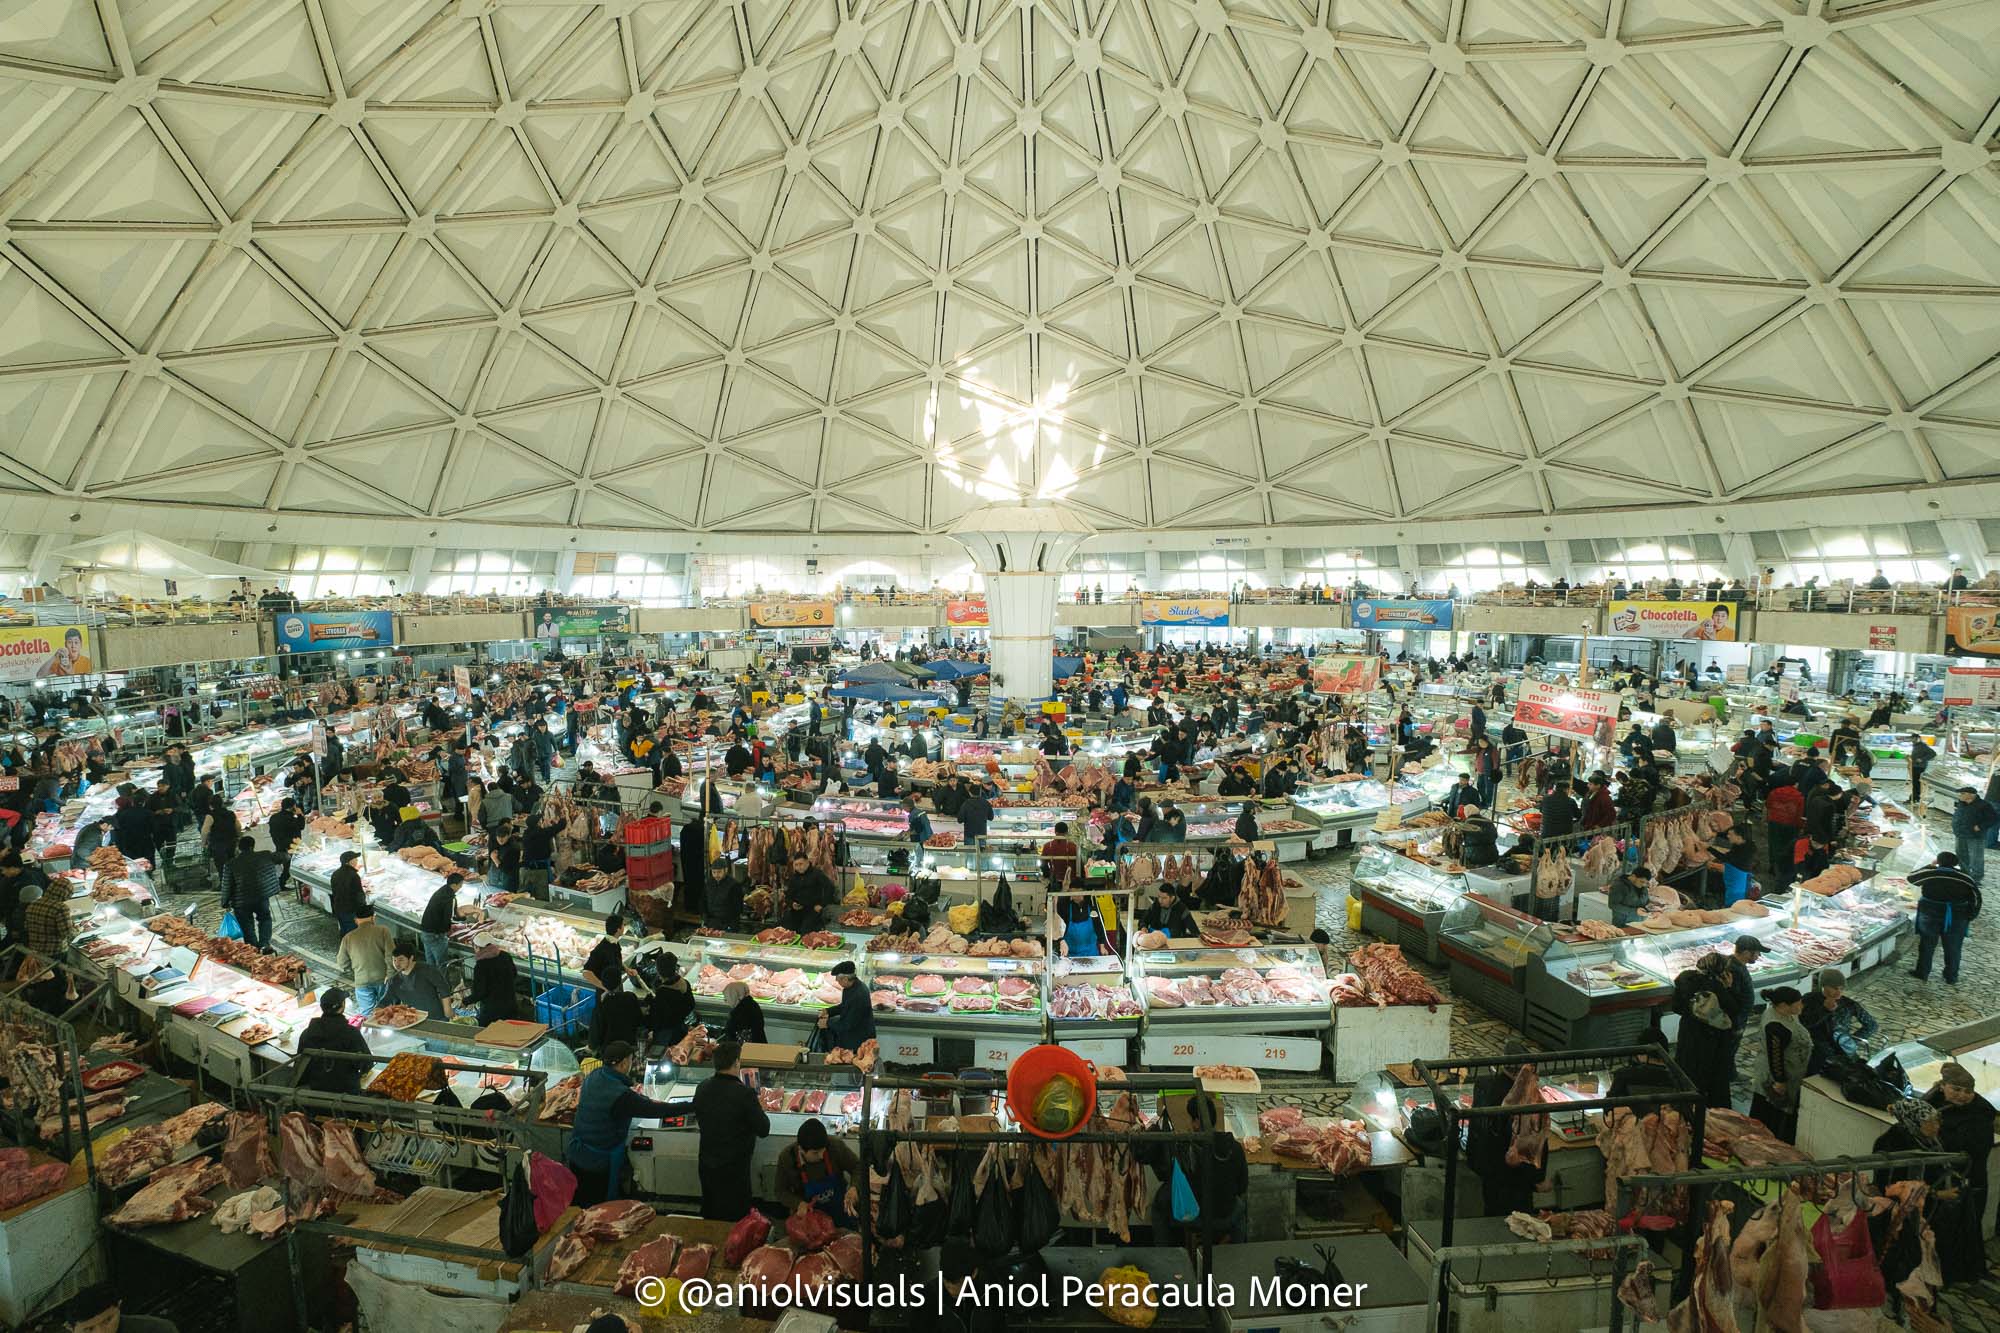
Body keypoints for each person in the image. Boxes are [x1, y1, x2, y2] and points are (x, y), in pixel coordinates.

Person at [568, 1041, 679, 1206]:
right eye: (631, 1060)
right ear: (624, 1063)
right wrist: (691, 1106)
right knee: (596, 1209)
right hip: (597, 1162)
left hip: (578, 1155)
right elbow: (654, 1110)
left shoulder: (596, 1075)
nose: (632, 1064)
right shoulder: (620, 1095)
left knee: (581, 1203)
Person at [1137, 1092, 1250, 1243]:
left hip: (1193, 1218)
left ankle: (1166, 1254)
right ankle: (1237, 1250)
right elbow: (1242, 1187)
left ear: (1196, 1121)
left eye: (1191, 1120)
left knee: (1158, 1207)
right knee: (1240, 1208)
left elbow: (1155, 1165)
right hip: (1224, 1215)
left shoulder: (1185, 1148)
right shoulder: (1235, 1147)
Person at [1925, 1061, 1996, 1283]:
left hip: (1969, 1179)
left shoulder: (1981, 1111)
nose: (1963, 1096)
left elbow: (1976, 1147)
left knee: (1965, 1225)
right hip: (1938, 1177)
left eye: (1968, 1091)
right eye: (1956, 1089)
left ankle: (1960, 1272)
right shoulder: (1932, 1102)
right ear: (1943, 1087)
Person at [692, 1041, 771, 1219]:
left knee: (711, 1213)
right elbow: (764, 1129)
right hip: (734, 1168)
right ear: (736, 1063)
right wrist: (759, 1108)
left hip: (707, 1163)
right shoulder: (744, 1094)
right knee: (735, 1218)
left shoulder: (702, 1087)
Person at [1467, 1045, 1542, 1216]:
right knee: (1518, 1222)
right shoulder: (1523, 1098)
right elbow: (1526, 1146)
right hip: (1513, 1178)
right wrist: (1537, 1177)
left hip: (1488, 1172)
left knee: (1492, 1215)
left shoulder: (1484, 1084)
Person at [1671, 952, 1738, 1109]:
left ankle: (1685, 1106)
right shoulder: (1715, 987)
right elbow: (1733, 1010)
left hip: (1688, 1032)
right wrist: (1729, 988)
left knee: (1687, 1070)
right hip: (1711, 1039)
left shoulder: (1685, 979)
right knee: (1711, 1076)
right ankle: (1708, 1111)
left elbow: (1676, 1007)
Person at [1910, 851, 1982, 984]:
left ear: (1938, 861)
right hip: (1957, 915)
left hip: (1930, 912)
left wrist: (1930, 866)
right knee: (1953, 947)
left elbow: (1912, 878)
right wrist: (1971, 915)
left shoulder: (1931, 873)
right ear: (1956, 864)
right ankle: (1951, 976)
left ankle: (1922, 972)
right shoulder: (1965, 878)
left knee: (1927, 944)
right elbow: (1976, 898)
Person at [1749, 986, 1809, 1142]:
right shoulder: (1775, 1026)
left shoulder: (1786, 1013)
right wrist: (1780, 1081)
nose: (1801, 1006)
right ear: (1783, 1005)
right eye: (1798, 1003)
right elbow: (1775, 1056)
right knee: (1770, 1111)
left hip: (1790, 1070)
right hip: (1773, 1075)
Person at [777, 1117, 859, 1225]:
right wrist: (798, 1204)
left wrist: (854, 1187)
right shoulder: (787, 1157)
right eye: (815, 1153)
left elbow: (858, 1167)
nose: (821, 1156)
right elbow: (780, 1191)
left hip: (839, 1209)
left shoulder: (835, 1146)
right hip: (809, 1216)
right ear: (801, 1150)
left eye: (823, 1151)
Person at [1801, 968, 1878, 1074]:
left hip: (1842, 1052)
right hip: (1815, 1052)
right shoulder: (1809, 999)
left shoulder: (1849, 1004)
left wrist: (1850, 1040)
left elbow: (1872, 1025)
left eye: (1841, 988)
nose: (1839, 992)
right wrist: (1824, 1010)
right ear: (1824, 985)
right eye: (1835, 988)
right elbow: (1803, 1023)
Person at [297, 989, 371, 1095]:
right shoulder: (351, 1033)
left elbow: (300, 1060)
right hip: (346, 1092)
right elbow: (366, 1063)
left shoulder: (308, 1032)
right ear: (342, 1006)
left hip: (316, 1089)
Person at [222, 836, 279, 951]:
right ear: (253, 846)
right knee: (264, 919)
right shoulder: (264, 855)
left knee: (246, 925)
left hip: (241, 902)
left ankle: (253, 948)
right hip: (261, 896)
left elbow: (227, 885)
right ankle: (264, 944)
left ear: (239, 848)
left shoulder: (231, 864)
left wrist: (224, 902)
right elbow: (283, 857)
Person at [336, 907, 394, 1016]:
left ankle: (369, 1032)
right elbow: (390, 955)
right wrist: (390, 974)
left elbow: (342, 962)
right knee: (386, 1011)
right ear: (373, 918)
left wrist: (356, 968)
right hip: (383, 979)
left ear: (356, 920)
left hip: (361, 980)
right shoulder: (383, 931)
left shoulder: (348, 938)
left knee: (367, 1014)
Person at [64, 1280, 179, 1333]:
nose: (102, 1332)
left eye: (108, 1320)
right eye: (89, 1329)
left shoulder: (160, 1330)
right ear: (70, 1328)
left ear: (119, 1306)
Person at [384, 939, 454, 1020]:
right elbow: (386, 1000)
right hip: (412, 1020)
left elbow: (444, 988)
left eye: (401, 959)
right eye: (394, 960)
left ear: (411, 958)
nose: (396, 964)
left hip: (436, 1017)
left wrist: (447, 1010)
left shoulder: (428, 970)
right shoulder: (393, 981)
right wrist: (375, 1012)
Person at [818, 959, 874, 1051]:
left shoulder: (859, 995)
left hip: (858, 1041)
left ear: (845, 979)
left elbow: (848, 1024)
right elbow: (845, 1005)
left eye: (838, 979)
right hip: (851, 1035)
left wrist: (827, 1023)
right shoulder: (851, 987)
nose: (837, 982)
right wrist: (828, 1011)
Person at [779, 850, 836, 932]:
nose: (799, 867)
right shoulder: (794, 878)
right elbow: (788, 895)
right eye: (796, 865)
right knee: (783, 930)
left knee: (805, 932)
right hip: (796, 911)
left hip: (813, 910)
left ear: (807, 862)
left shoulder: (817, 874)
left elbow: (830, 888)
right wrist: (792, 904)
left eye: (801, 864)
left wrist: (822, 904)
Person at [589, 974, 647, 1053]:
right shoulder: (630, 997)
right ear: (620, 983)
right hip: (629, 1045)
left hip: (609, 1050)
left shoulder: (601, 1006)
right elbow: (639, 1020)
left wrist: (592, 1046)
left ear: (603, 984)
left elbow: (595, 1035)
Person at [649, 952, 696, 1048]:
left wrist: (650, 1001)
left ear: (659, 970)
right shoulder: (684, 983)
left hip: (667, 1034)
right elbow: (691, 1004)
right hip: (682, 1029)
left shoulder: (663, 992)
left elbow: (659, 1016)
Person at [467, 942, 519, 1024]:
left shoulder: (481, 965)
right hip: (510, 1005)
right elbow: (514, 974)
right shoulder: (505, 955)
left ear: (477, 948)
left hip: (492, 1011)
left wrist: (465, 1001)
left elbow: (480, 992)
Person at [582, 913, 635, 991]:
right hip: (605, 994)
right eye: (623, 925)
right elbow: (586, 972)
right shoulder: (601, 949)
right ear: (618, 929)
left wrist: (626, 969)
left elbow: (615, 959)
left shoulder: (614, 943)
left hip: (616, 987)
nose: (624, 927)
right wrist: (604, 987)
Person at [1951, 785, 1994, 883]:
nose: (1960, 796)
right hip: (1960, 834)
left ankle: (1976, 878)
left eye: (1963, 793)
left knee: (1976, 858)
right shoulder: (1961, 803)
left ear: (1972, 795)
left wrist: (1980, 826)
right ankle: (1964, 875)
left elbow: (1992, 818)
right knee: (1961, 855)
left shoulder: (1984, 805)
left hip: (1975, 836)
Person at [719, 979, 766, 1045]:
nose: (725, 1001)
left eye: (727, 997)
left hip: (746, 1050)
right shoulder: (751, 1004)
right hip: (757, 1046)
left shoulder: (741, 1011)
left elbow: (734, 1034)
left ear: (735, 995)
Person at [330, 849, 366, 936]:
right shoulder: (353, 875)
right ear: (349, 862)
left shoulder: (335, 873)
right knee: (353, 933)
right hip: (351, 910)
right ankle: (352, 948)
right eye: (355, 859)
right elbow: (359, 894)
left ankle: (345, 947)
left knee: (344, 931)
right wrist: (363, 907)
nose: (357, 861)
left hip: (338, 908)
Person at [1910, 732, 1935, 807]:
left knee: (1917, 782)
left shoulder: (1923, 746)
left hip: (1920, 767)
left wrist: (1922, 759)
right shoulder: (1915, 746)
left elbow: (1933, 753)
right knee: (1914, 782)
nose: (1913, 740)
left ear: (1918, 738)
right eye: (1912, 738)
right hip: (1914, 766)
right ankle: (1914, 797)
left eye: (1914, 738)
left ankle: (1916, 798)